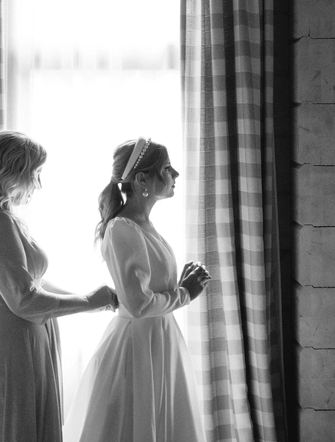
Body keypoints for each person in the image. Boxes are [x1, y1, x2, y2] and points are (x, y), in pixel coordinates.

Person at [0, 130, 118, 442]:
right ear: (12, 172)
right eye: (35, 173)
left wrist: (93, 299)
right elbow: (25, 301)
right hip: (8, 357)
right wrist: (90, 301)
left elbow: (34, 283)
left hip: (13, 349)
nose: (38, 184)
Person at [63, 137, 211, 442]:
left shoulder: (143, 224)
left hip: (160, 338)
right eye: (167, 168)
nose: (176, 174)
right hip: (138, 348)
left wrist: (181, 284)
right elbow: (138, 304)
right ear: (142, 179)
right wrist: (184, 293)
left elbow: (150, 289)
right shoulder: (122, 228)